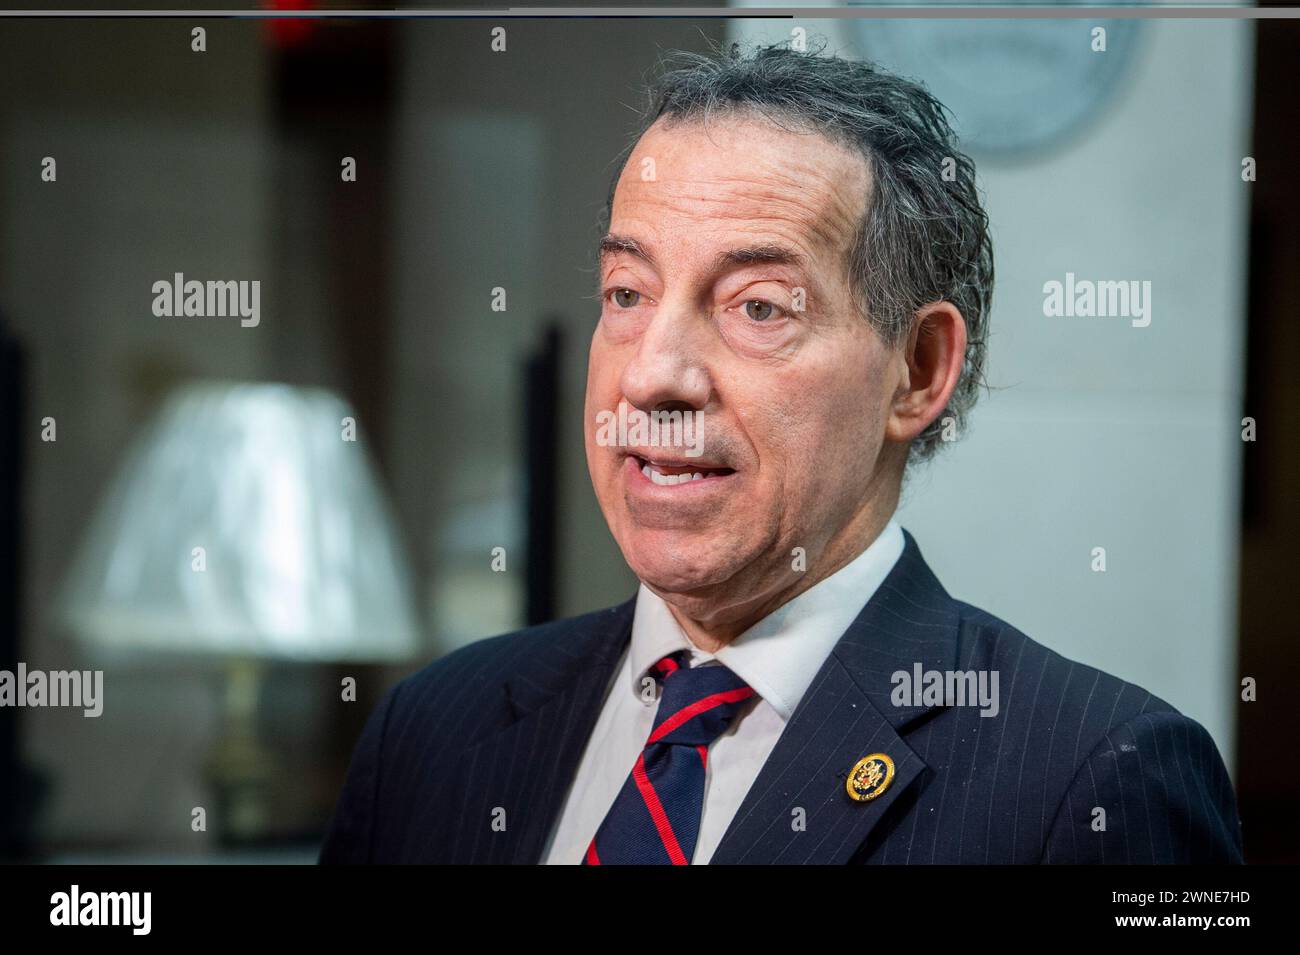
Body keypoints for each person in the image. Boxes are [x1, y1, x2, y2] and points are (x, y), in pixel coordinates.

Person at [319, 43, 1242, 865]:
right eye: (627, 292)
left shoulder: (1092, 779)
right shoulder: (434, 729)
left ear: (918, 371)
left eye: (758, 306)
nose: (653, 376)